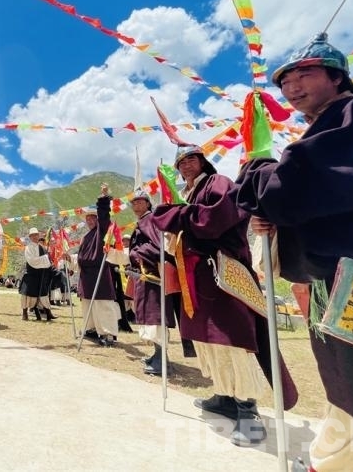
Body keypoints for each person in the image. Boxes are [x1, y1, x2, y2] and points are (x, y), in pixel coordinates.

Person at [234, 33, 353, 470]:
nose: (291, 87)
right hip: (334, 284)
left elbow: (307, 188)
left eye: (304, 74)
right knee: (346, 389)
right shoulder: (326, 129)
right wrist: (277, 221)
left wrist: (258, 168)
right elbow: (308, 200)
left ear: (337, 76)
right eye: (284, 81)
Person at [150, 145, 298, 446]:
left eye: (191, 158)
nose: (185, 165)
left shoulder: (217, 183)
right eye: (181, 162)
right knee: (207, 341)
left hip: (222, 274)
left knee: (233, 340)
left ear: (203, 161)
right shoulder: (186, 195)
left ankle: (248, 409)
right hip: (195, 279)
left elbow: (214, 221)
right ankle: (225, 395)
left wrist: (175, 215)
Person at [127, 188, 189, 376]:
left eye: (140, 201)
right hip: (146, 276)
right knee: (150, 317)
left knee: (156, 318)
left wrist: (136, 253)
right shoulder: (143, 221)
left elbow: (159, 247)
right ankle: (157, 355)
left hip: (154, 278)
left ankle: (162, 361)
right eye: (134, 202)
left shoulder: (150, 220)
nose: (136, 205)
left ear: (148, 203)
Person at [76, 184, 121, 347]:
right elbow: (82, 256)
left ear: (97, 219)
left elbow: (104, 218)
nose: (90, 221)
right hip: (86, 276)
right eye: (87, 219)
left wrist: (103, 199)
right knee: (88, 303)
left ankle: (107, 333)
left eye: (93, 218)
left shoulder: (101, 232)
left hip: (99, 274)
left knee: (102, 304)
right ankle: (91, 329)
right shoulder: (87, 236)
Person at [20, 227, 56, 321]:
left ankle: (48, 312)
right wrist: (44, 259)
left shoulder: (42, 247)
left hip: (41, 274)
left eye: (36, 235)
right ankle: (24, 313)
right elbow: (32, 261)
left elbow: (47, 261)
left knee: (43, 294)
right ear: (30, 237)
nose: (35, 237)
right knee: (27, 294)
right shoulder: (28, 248)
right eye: (33, 235)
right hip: (31, 274)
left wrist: (47, 260)